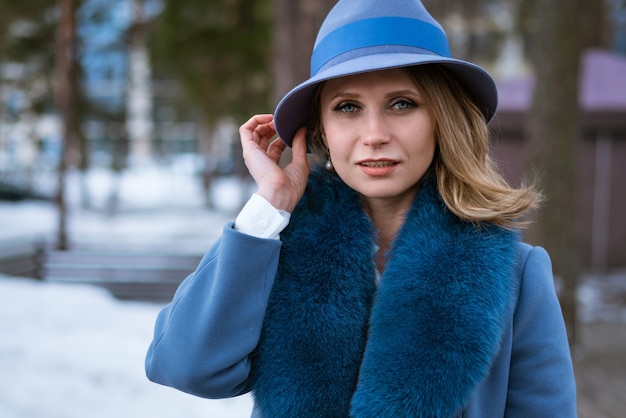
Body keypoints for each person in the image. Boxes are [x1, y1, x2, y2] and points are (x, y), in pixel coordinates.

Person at [145, 0, 577, 416]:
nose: (374, 134)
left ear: (443, 121)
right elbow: (183, 367)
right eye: (347, 107)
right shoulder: (273, 256)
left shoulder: (516, 273)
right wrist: (268, 207)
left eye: (402, 104)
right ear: (320, 132)